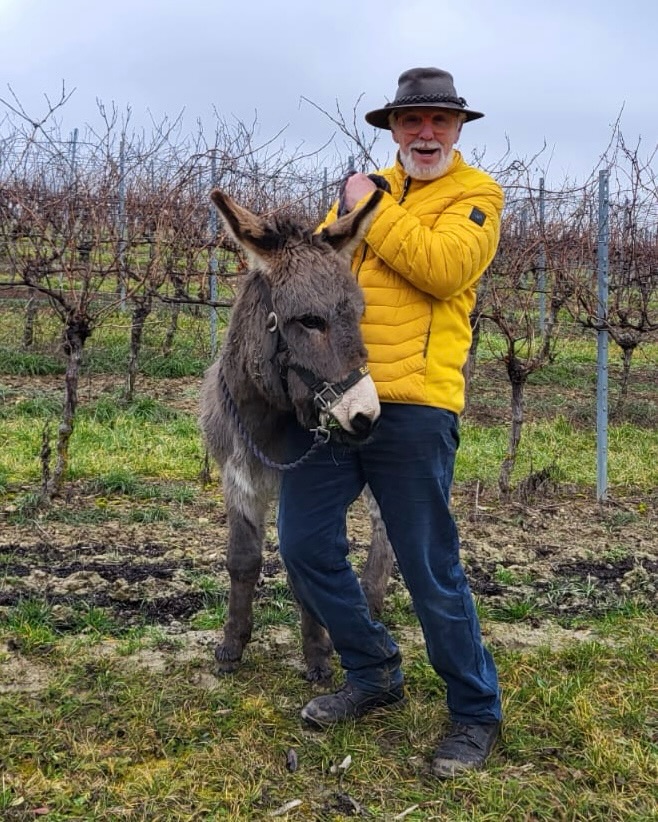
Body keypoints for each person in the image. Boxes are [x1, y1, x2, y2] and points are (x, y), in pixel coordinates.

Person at [277, 67, 504, 778]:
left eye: (440, 121)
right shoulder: (367, 191)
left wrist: (368, 203)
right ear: (394, 129)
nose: (426, 133)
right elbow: (311, 270)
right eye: (413, 122)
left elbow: (442, 269)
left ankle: (474, 712)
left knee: (427, 566)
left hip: (415, 403)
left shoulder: (476, 197)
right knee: (304, 542)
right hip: (339, 396)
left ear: (459, 128)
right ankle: (373, 669)